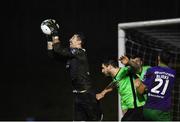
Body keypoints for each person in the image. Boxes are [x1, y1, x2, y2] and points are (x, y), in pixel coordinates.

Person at [47, 32, 103, 121]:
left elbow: (58, 49)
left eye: (73, 38)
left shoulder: (80, 53)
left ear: (79, 41)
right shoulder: (72, 56)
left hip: (87, 95)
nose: (69, 40)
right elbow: (52, 55)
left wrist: (55, 33)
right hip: (78, 96)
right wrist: (48, 38)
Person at [135, 50, 176, 121]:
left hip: (148, 110)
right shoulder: (173, 73)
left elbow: (141, 91)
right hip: (162, 110)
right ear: (170, 60)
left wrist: (137, 83)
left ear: (159, 58)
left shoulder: (151, 70)